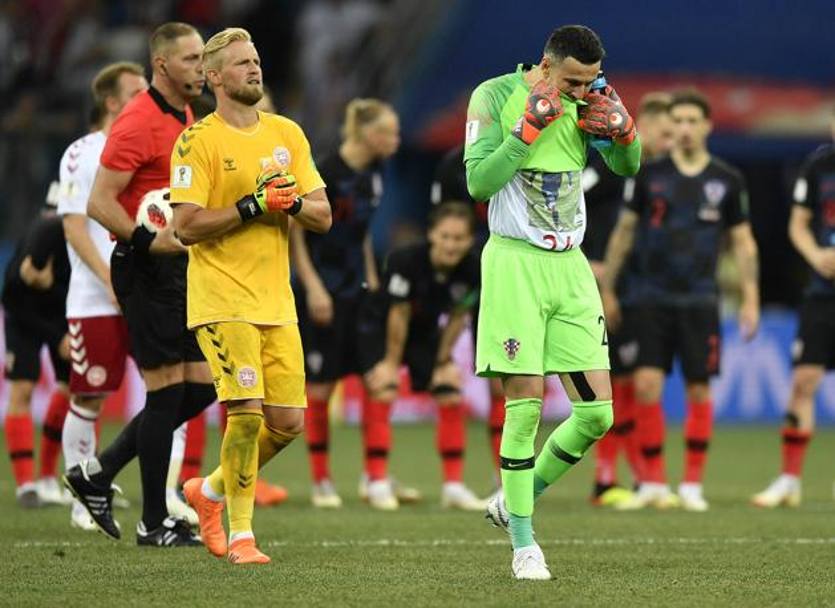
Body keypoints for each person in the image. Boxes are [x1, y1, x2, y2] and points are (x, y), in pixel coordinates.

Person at [467, 24, 642, 580]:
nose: (583, 92)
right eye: (573, 81)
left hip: (571, 265)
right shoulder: (493, 95)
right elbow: (478, 183)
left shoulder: (591, 95)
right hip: (515, 263)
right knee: (526, 407)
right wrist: (524, 132)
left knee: (596, 414)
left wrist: (625, 134)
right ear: (546, 64)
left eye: (592, 81)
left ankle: (514, 497)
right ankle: (524, 546)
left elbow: (627, 169)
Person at [171, 27, 331, 565]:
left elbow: (323, 215)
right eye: (241, 64)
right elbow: (187, 227)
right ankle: (242, 536)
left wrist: (285, 206)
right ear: (214, 78)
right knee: (243, 415)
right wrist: (250, 206)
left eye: (257, 61)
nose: (254, 70)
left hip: (275, 303)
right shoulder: (198, 141)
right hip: (221, 299)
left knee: (286, 423)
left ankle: (209, 491)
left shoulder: (287, 133)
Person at [63, 22, 214, 547]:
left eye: (202, 57)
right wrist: (148, 243)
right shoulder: (137, 121)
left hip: (177, 267)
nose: (201, 66)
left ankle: (98, 474)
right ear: (163, 65)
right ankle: (154, 522)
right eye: (192, 59)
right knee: (167, 391)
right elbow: (99, 203)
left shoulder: (185, 116)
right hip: (144, 266)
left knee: (201, 387)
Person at [601, 89, 760, 511]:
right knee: (647, 385)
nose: (685, 129)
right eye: (679, 122)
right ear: (670, 127)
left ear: (707, 125)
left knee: (699, 389)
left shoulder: (727, 180)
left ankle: (692, 485)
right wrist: (608, 287)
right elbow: (624, 232)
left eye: (693, 121)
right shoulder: (649, 176)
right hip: (648, 297)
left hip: (700, 299)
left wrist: (751, 299)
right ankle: (653, 482)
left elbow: (743, 243)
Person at [292, 98, 407, 509]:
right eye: (390, 133)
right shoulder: (324, 171)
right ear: (369, 135)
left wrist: (372, 278)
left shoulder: (375, 171)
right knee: (320, 388)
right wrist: (313, 288)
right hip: (324, 291)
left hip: (359, 289)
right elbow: (295, 235)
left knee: (379, 380)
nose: (396, 140)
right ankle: (321, 480)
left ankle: (375, 478)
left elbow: (359, 230)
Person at [57, 61, 148, 530]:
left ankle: (164, 494)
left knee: (167, 391)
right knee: (89, 395)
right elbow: (74, 224)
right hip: (96, 299)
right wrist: (110, 283)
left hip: (144, 294)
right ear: (112, 101)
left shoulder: (142, 146)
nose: (147, 97)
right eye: (137, 91)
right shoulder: (83, 152)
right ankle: (81, 496)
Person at [360, 201, 487, 511]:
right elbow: (399, 313)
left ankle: (453, 486)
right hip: (381, 327)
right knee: (384, 387)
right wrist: (390, 363)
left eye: (459, 238)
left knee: (450, 392)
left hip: (426, 333)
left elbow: (458, 317)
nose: (451, 244)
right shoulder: (405, 260)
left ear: (470, 240)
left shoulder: (473, 268)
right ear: (432, 235)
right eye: (445, 236)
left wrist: (443, 361)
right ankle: (376, 481)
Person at [583, 92, 674, 506]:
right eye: (663, 132)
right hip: (606, 288)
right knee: (614, 382)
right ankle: (605, 479)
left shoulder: (663, 181)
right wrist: (591, 263)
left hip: (645, 292)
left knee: (638, 383)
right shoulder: (611, 167)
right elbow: (569, 201)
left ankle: (642, 477)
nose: (671, 140)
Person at [752, 114, 835, 508]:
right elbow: (798, 225)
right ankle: (789, 479)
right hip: (822, 294)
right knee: (803, 382)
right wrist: (816, 255)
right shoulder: (817, 165)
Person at [431, 145, 506, 483]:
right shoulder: (452, 164)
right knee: (446, 374)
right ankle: (452, 483)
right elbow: (444, 217)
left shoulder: (522, 149)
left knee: (503, 383)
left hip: (508, 273)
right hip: (462, 280)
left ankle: (504, 474)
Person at [2, 205, 71, 508]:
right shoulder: (47, 234)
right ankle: (26, 485)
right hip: (23, 319)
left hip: (59, 318)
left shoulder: (83, 239)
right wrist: (58, 337)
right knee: (23, 389)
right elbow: (12, 296)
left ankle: (47, 478)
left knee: (74, 390)